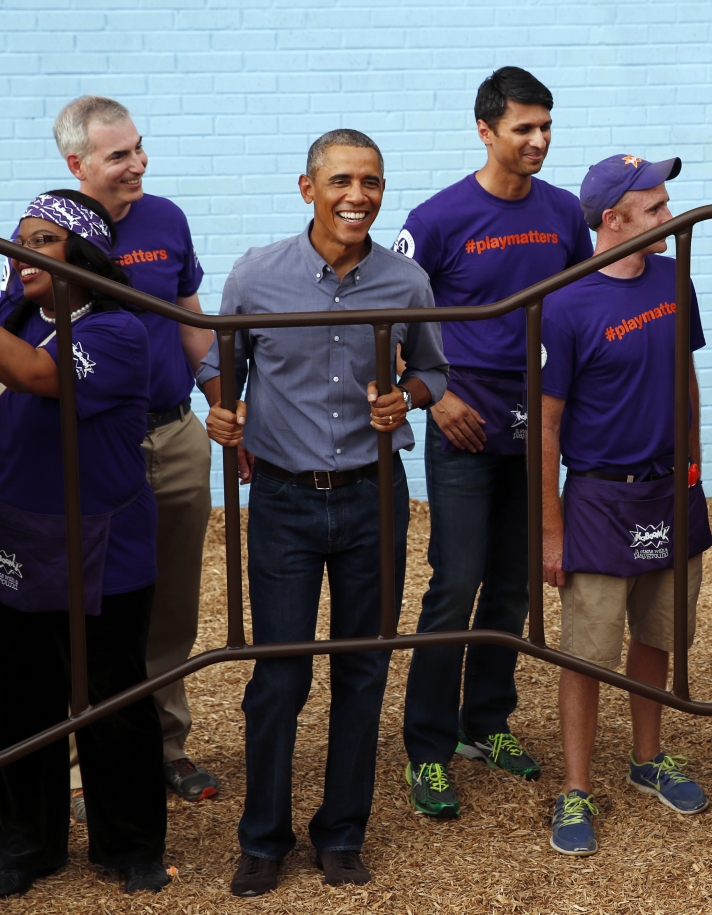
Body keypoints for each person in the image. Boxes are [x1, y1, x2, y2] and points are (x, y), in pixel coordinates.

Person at [195, 130, 448, 896]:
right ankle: (263, 838)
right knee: (279, 673)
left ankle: (341, 831)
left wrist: (408, 396)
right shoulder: (256, 274)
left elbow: (435, 368)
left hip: (375, 494)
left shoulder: (406, 280)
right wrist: (221, 412)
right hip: (282, 499)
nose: (357, 195)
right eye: (341, 180)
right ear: (308, 188)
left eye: (371, 181)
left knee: (364, 666)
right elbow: (220, 367)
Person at [0, 96, 219, 809]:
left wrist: (220, 397)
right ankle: (71, 754)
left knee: (162, 604)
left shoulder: (168, 221)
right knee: (68, 605)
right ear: (78, 165)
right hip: (79, 443)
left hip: (168, 429)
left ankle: (163, 744)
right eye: (119, 155)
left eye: (138, 147)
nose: (139, 163)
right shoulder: (42, 233)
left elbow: (189, 318)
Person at [392, 66, 592, 817]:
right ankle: (428, 747)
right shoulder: (439, 218)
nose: (538, 141)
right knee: (457, 580)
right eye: (523, 129)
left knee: (511, 582)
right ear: (485, 130)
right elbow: (395, 317)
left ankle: (487, 722)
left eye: (546, 127)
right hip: (463, 429)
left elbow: (582, 306)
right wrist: (437, 397)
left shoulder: (566, 213)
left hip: (534, 427)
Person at [540, 154, 712, 856]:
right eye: (656, 208)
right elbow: (546, 426)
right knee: (587, 652)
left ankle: (649, 756)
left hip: (673, 487)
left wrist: (696, 473)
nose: (670, 218)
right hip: (599, 495)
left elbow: (689, 380)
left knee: (659, 632)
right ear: (614, 220)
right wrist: (551, 529)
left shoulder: (675, 278)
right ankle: (575, 787)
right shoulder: (565, 301)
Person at [0, 191, 171, 896]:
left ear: (83, 252)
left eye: (42, 241)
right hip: (18, 534)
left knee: (112, 695)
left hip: (104, 538)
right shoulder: (11, 317)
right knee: (20, 696)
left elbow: (41, 377)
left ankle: (130, 845)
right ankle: (26, 844)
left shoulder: (117, 330)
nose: (22, 254)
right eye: (18, 241)